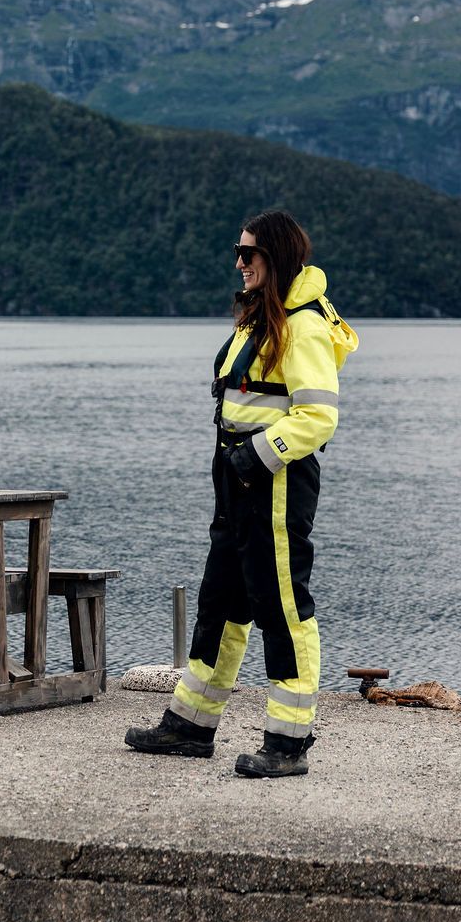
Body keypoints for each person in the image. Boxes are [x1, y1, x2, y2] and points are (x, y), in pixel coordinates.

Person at [125, 209, 357, 776]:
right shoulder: (263, 317)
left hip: (273, 479)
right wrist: (236, 463)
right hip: (236, 472)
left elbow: (318, 418)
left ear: (273, 258)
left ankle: (288, 742)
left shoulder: (301, 326)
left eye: (247, 253)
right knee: (221, 601)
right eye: (238, 251)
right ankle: (191, 726)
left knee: (282, 607)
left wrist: (255, 457)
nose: (238, 262)